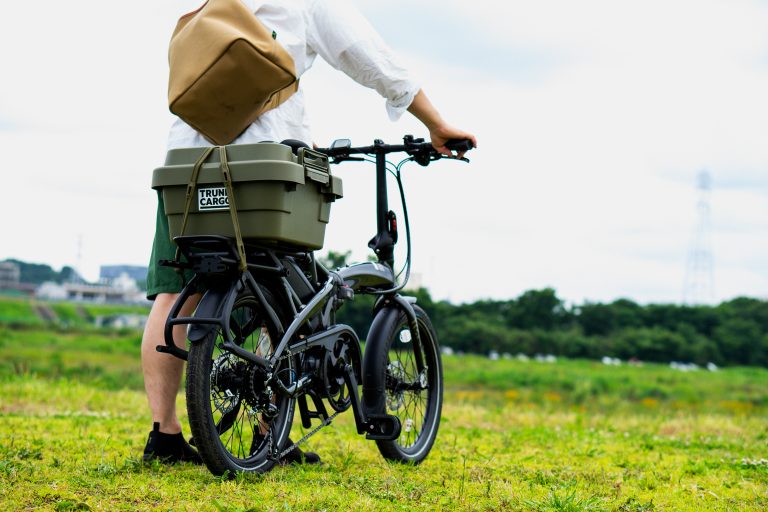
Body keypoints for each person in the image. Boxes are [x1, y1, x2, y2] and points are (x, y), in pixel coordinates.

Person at [142, 0, 477, 464]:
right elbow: (371, 58)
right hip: (265, 168)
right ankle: (268, 436)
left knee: (175, 294)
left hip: (186, 168)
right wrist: (435, 123)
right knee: (283, 296)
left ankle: (164, 434)